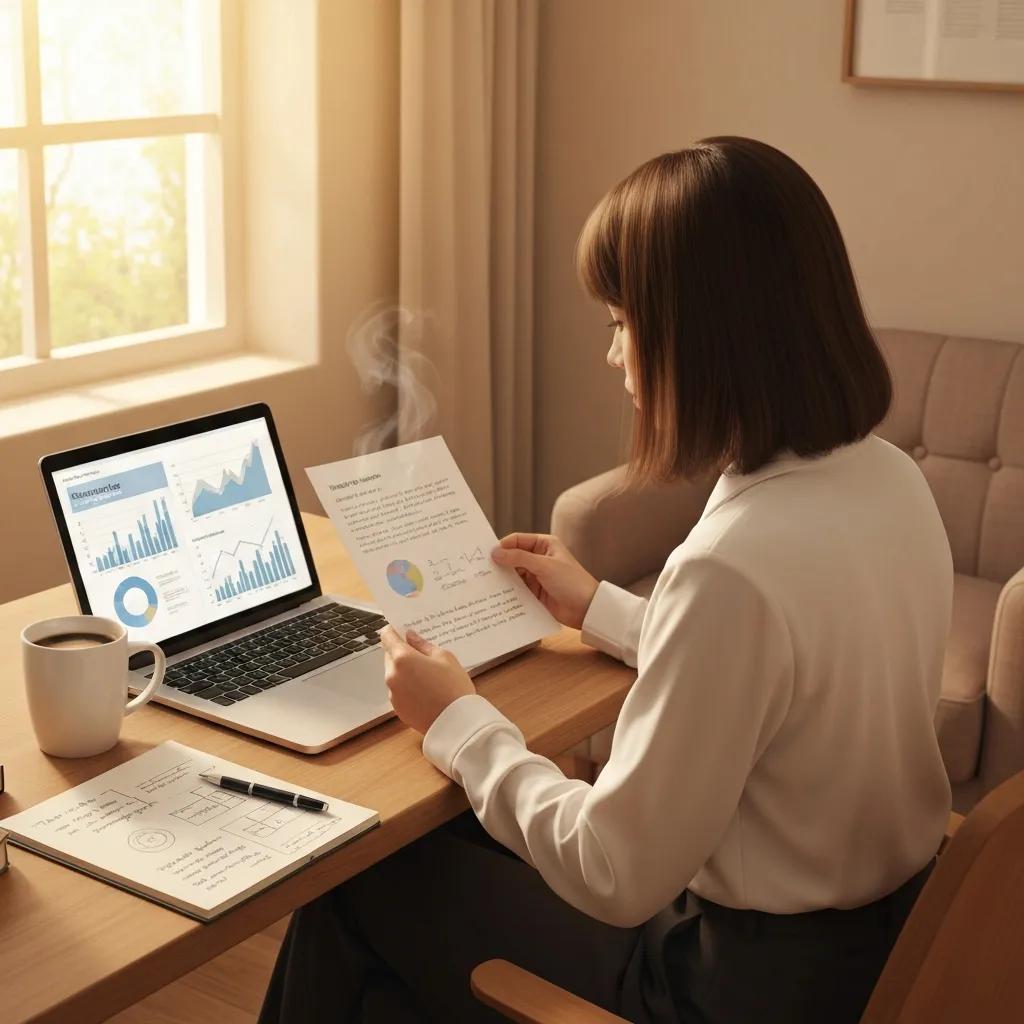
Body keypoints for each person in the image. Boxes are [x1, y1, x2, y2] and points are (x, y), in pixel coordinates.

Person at [259, 137, 953, 1024]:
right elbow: (776, 670)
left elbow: (613, 871)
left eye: (624, 323)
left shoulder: (732, 567)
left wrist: (459, 719)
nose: (615, 356)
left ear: (706, 337)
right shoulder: (886, 477)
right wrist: (600, 609)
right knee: (427, 868)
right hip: (876, 944)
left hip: (727, 987)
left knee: (357, 881)